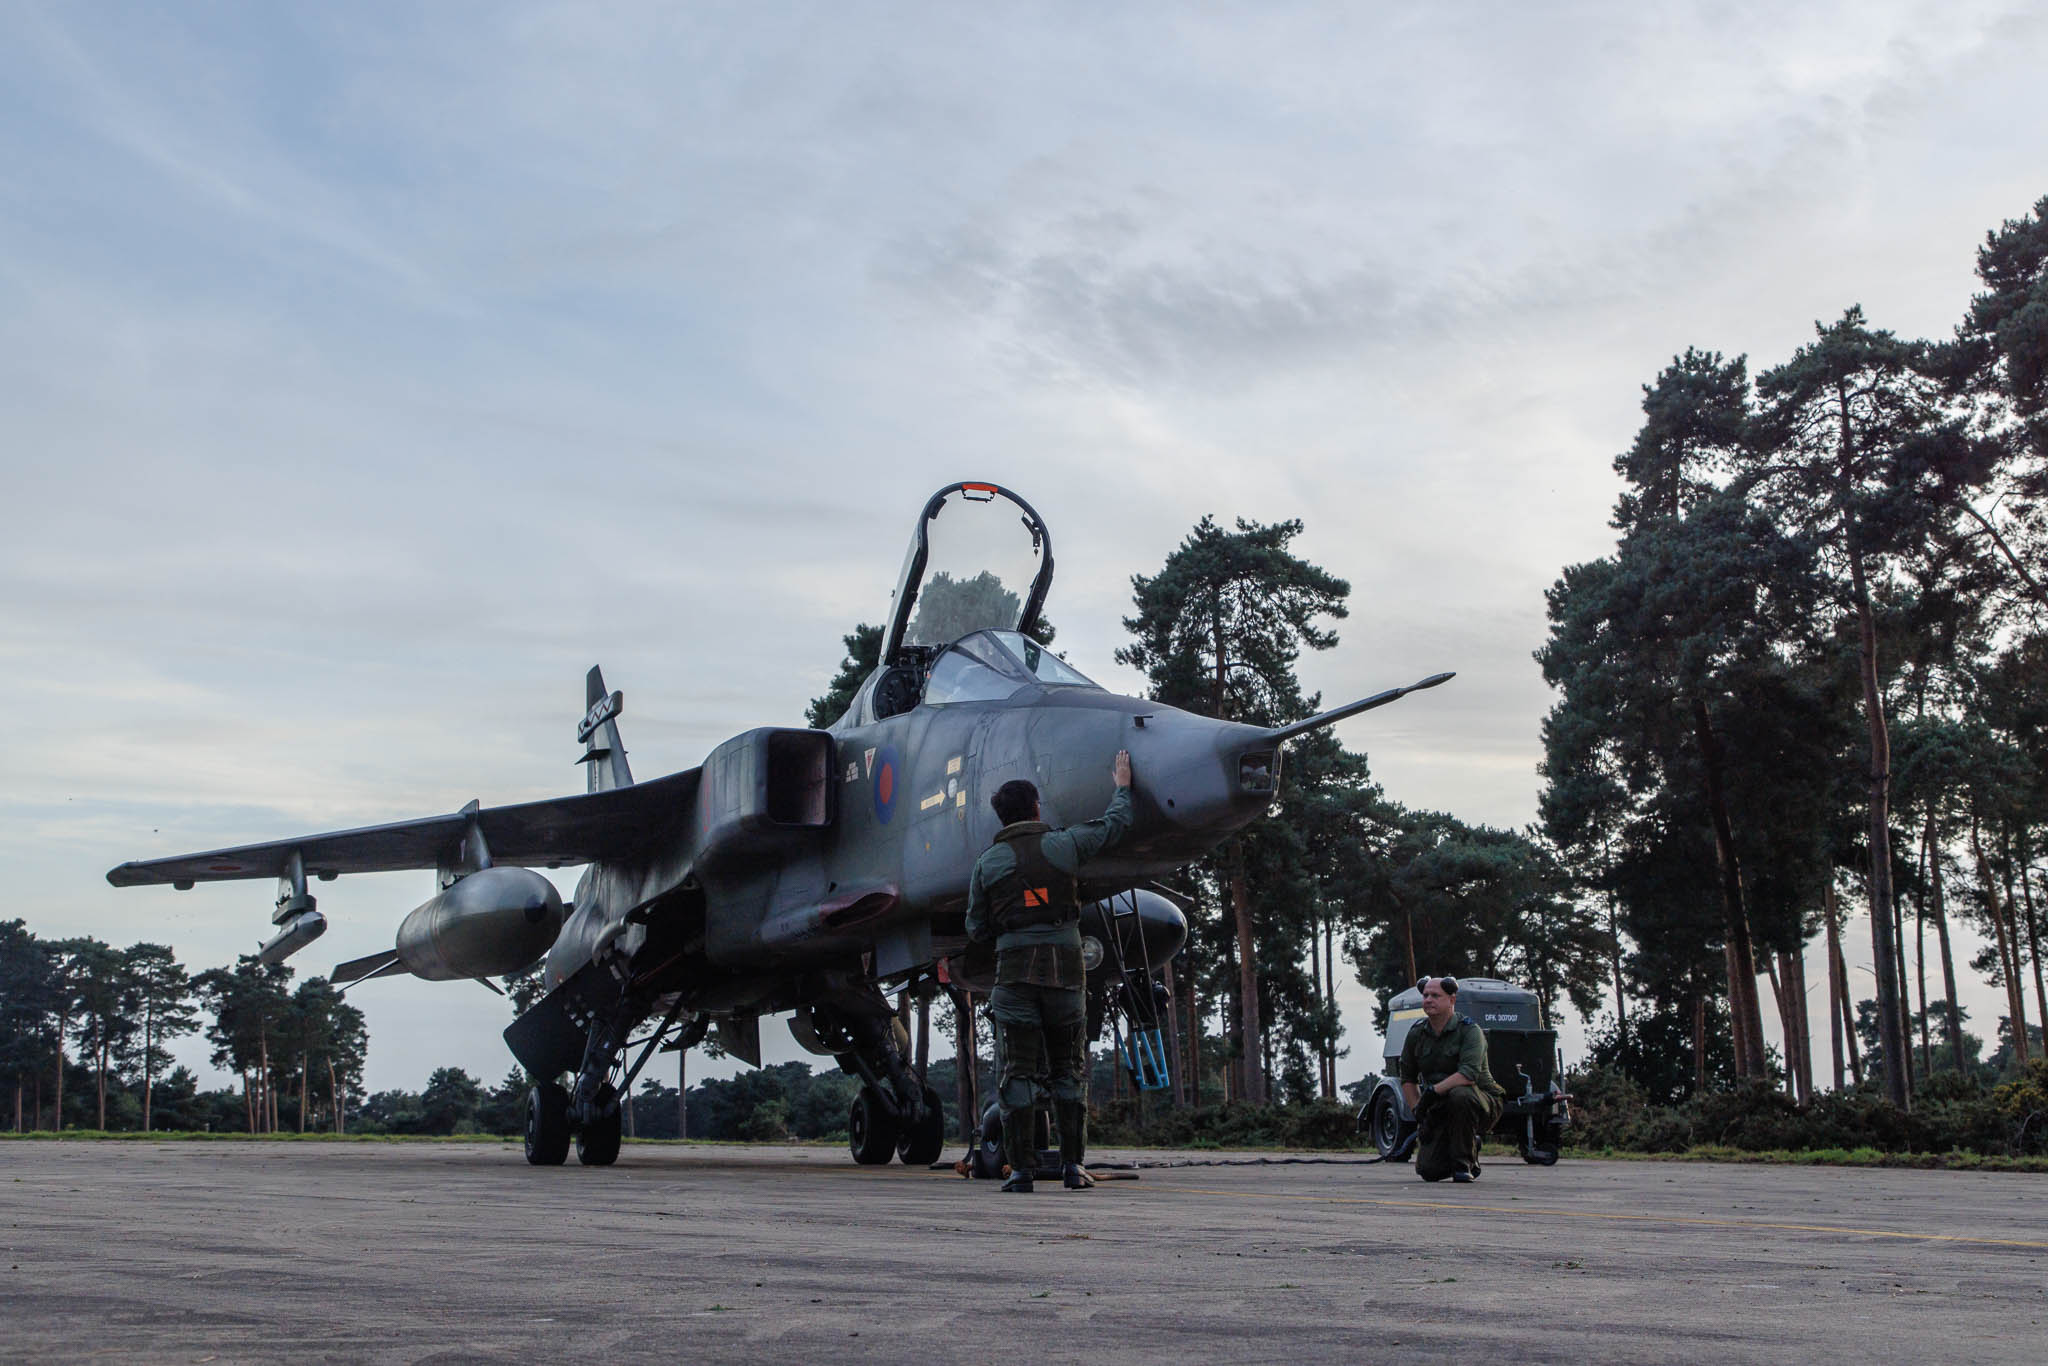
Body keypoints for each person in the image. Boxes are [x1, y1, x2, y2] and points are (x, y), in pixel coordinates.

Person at [964, 751, 1134, 1193]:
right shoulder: (1063, 845)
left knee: (1017, 1073)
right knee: (1068, 1071)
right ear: (1036, 808)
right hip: (1065, 972)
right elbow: (1114, 827)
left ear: (1001, 817)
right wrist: (1123, 787)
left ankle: (1020, 1172)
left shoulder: (988, 864)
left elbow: (976, 928)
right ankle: (1073, 1169)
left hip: (1015, 977)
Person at [1399, 975, 1505, 1183]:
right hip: (1440, 1105)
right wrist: (1418, 1111)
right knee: (1429, 1171)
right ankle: (1466, 1142)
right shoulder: (1416, 1034)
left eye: (1436, 995)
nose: (1428, 999)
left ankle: (1463, 1164)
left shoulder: (1469, 1031)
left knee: (1460, 1095)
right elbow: (1407, 1077)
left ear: (1452, 1000)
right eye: (1426, 995)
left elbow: (1468, 1075)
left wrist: (1431, 1093)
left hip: (1481, 1102)